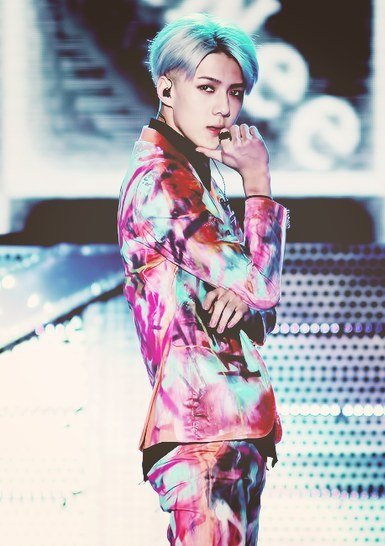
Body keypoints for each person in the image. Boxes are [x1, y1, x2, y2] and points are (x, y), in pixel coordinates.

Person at [117, 12, 289, 546]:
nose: (224, 108)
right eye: (208, 87)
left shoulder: (197, 177)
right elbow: (262, 287)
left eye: (235, 93)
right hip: (202, 430)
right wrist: (257, 179)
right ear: (167, 87)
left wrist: (247, 292)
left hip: (231, 426)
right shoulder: (162, 180)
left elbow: (261, 311)